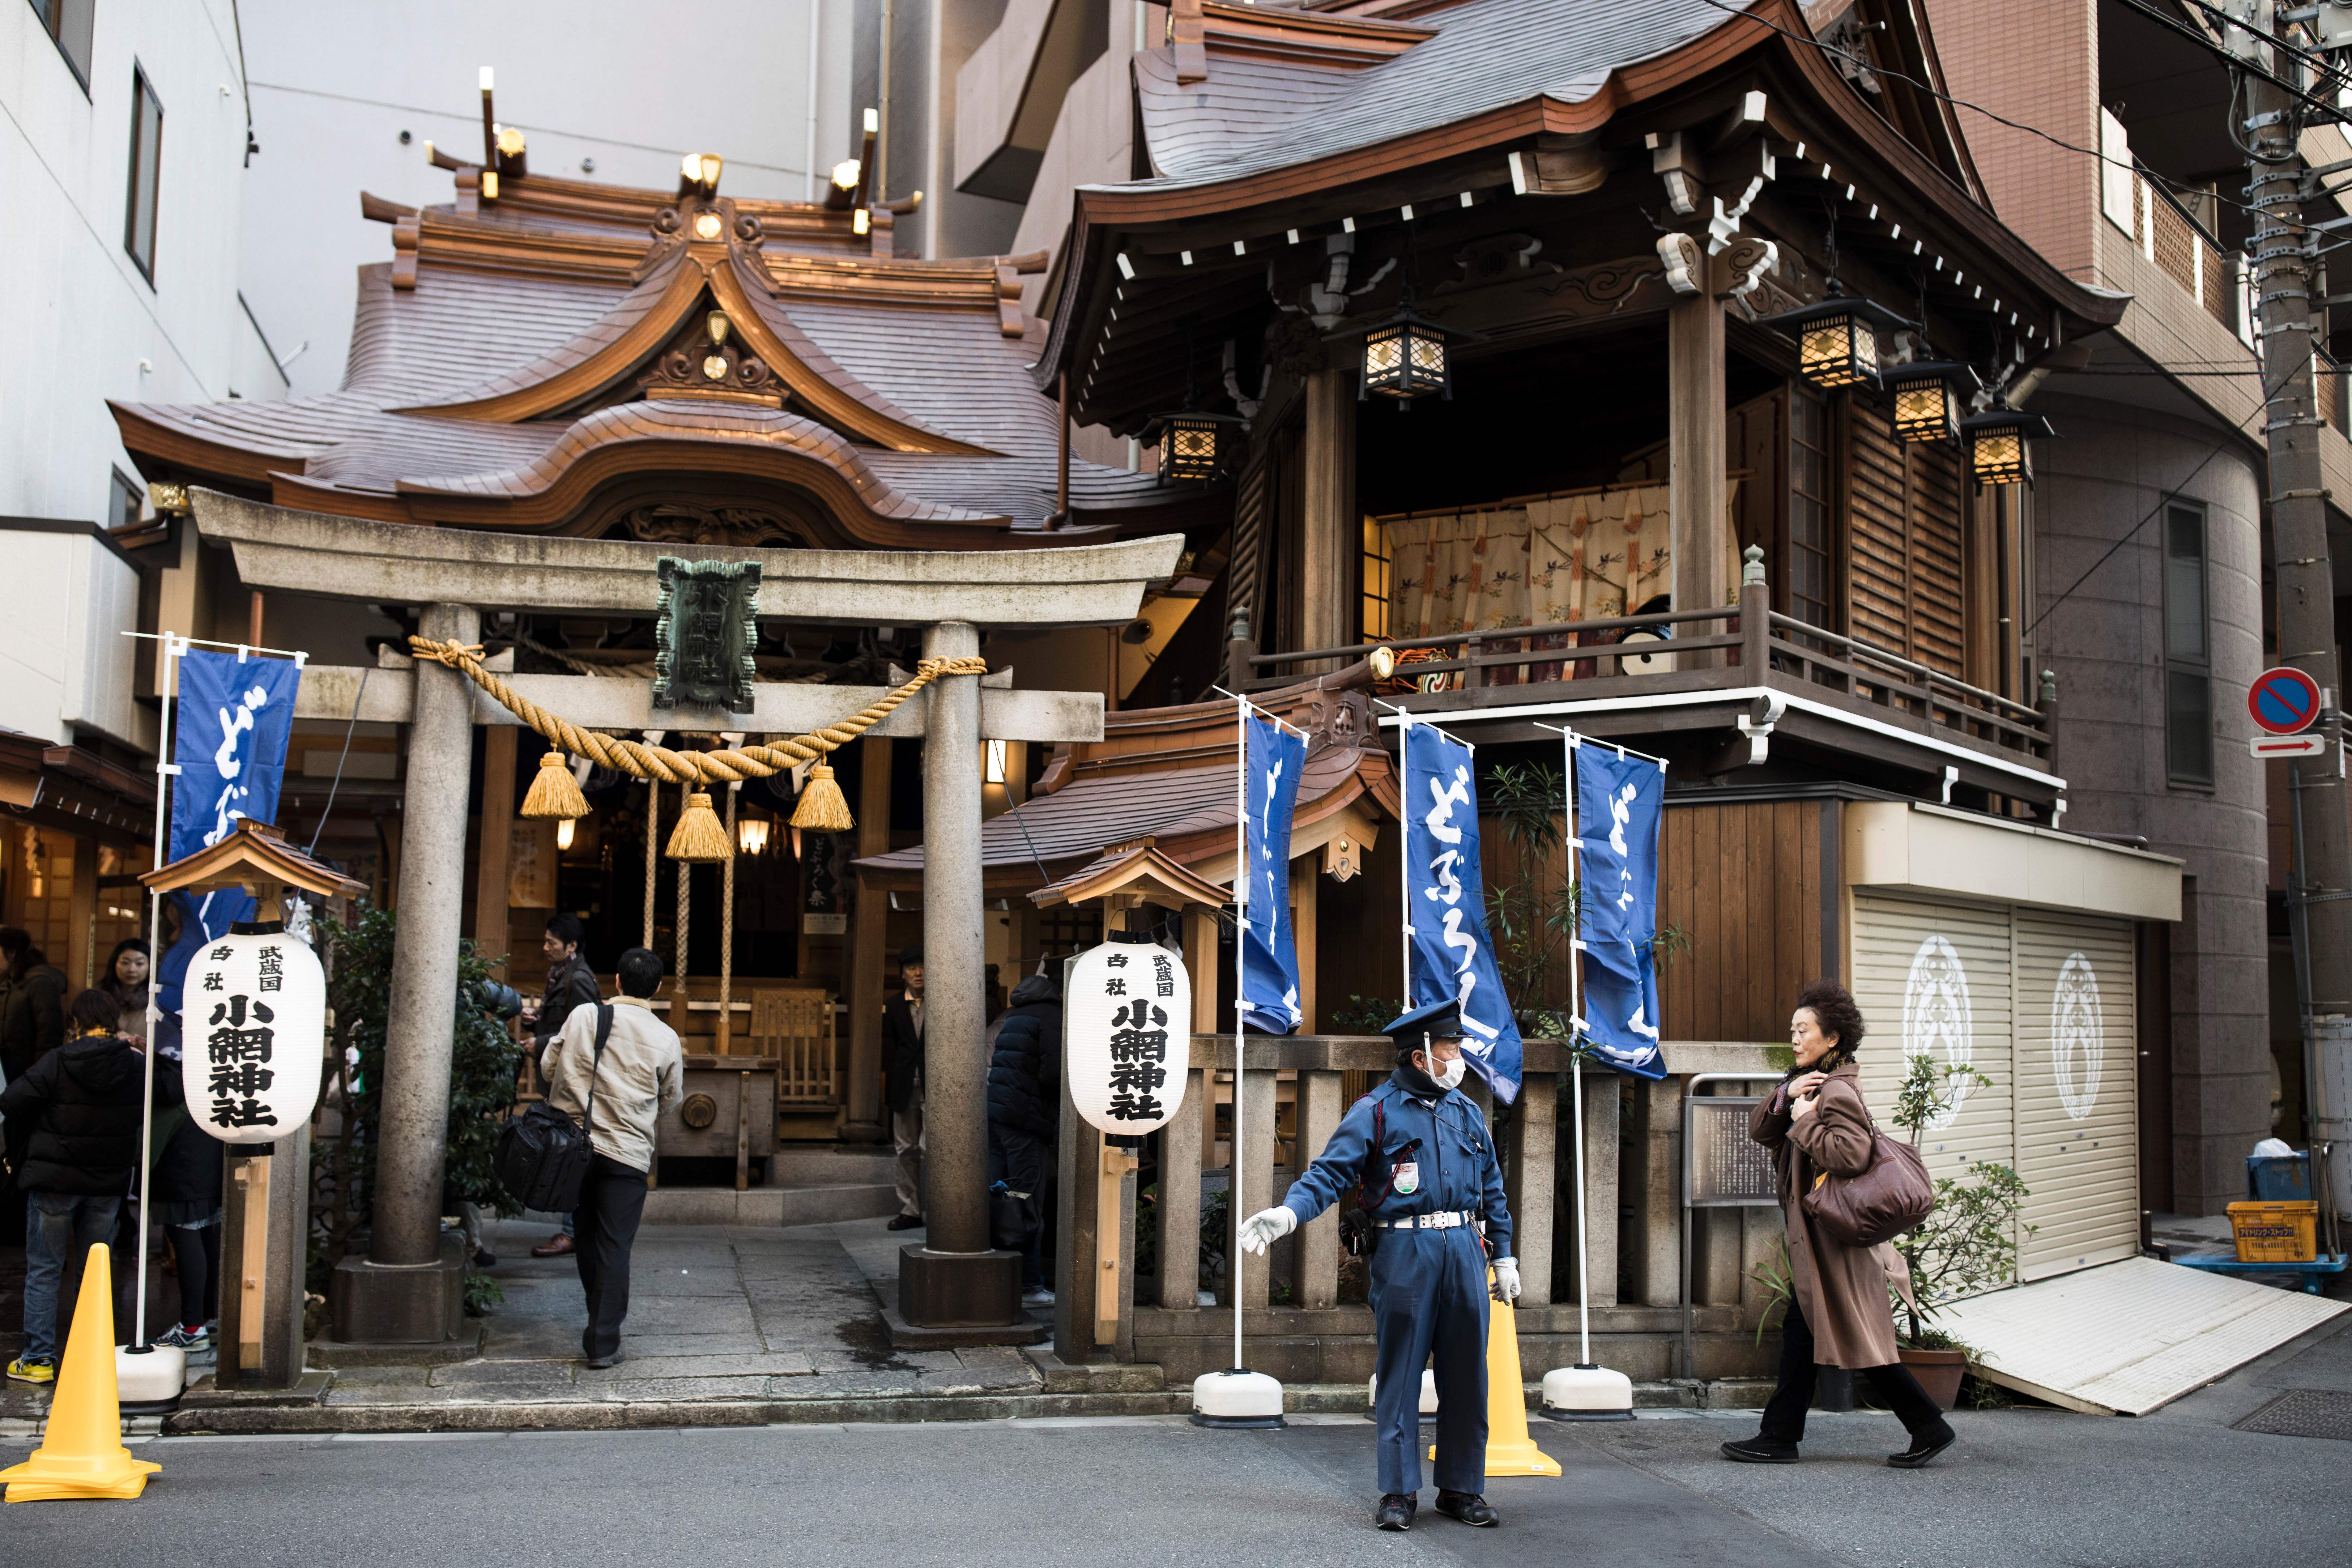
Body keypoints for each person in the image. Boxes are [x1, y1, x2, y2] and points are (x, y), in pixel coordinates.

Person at [1237, 998, 1517, 1532]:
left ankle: (1463, 1488)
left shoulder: (1467, 1112)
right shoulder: (1376, 1111)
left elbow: (1493, 1192)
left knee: (1467, 1376)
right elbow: (1328, 1174)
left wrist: (1503, 1255)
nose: (1459, 1059)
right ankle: (1398, 1492)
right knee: (1401, 1374)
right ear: (1420, 1056)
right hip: (1405, 1252)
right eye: (1450, 1050)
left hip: (1463, 1247)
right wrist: (1290, 1213)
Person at [1723, 980, 1956, 1470]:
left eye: (1803, 1030)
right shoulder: (1808, 1084)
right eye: (1793, 1029)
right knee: (1808, 1332)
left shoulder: (1837, 1091)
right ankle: (1781, 1435)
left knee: (1856, 1336)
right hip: (1819, 1242)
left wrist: (1806, 1119)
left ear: (1832, 1039)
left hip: (1835, 1242)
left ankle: (1923, 1425)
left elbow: (1852, 1156)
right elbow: (1762, 1131)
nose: (1794, 1037)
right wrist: (1787, 1094)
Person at [538, 945, 681, 1369]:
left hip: (574, 1150)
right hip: (628, 1154)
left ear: (616, 981)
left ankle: (596, 1317)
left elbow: (549, 1067)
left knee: (584, 1236)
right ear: (657, 988)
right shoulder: (665, 1037)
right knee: (615, 1245)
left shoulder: (584, 1017)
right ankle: (603, 1340)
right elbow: (670, 1099)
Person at [3, 989, 148, 1384]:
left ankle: (37, 1360)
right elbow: (170, 1091)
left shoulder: (59, 1059)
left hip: (54, 1182)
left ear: (76, 1022)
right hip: (107, 1182)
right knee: (95, 1270)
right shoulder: (135, 1065)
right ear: (115, 1020)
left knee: (45, 1270)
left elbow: (13, 1101)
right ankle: (91, 1359)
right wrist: (143, 1049)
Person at [525, 913, 603, 1259]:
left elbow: (584, 1032)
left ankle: (573, 1231)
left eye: (551, 943)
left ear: (571, 946)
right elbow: (562, 1022)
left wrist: (541, 1042)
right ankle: (577, 1228)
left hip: (572, 1081)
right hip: (558, 1076)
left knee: (571, 1151)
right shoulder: (561, 974)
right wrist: (537, 1024)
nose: (545, 948)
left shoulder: (580, 979)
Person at [985, 964, 1063, 1304]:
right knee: (1028, 1201)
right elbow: (1053, 1075)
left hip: (999, 1116)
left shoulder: (1015, 1015)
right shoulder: (1052, 1017)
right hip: (1027, 1121)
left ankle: (1001, 1277)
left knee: (1005, 1197)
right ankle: (1029, 1284)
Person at [882, 946, 925, 1231]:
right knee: (906, 1148)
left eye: (923, 967)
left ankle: (938, 1209)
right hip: (904, 1085)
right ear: (903, 975)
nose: (919, 973)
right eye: (912, 969)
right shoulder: (895, 1005)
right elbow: (889, 1047)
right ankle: (910, 1210)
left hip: (938, 1085)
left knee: (931, 1148)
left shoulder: (943, 1001)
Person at [101, 937, 151, 1027]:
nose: (132, 970)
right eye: (125, 963)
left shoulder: (156, 999)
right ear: (114, 964)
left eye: (140, 964)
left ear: (150, 966)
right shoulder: (101, 997)